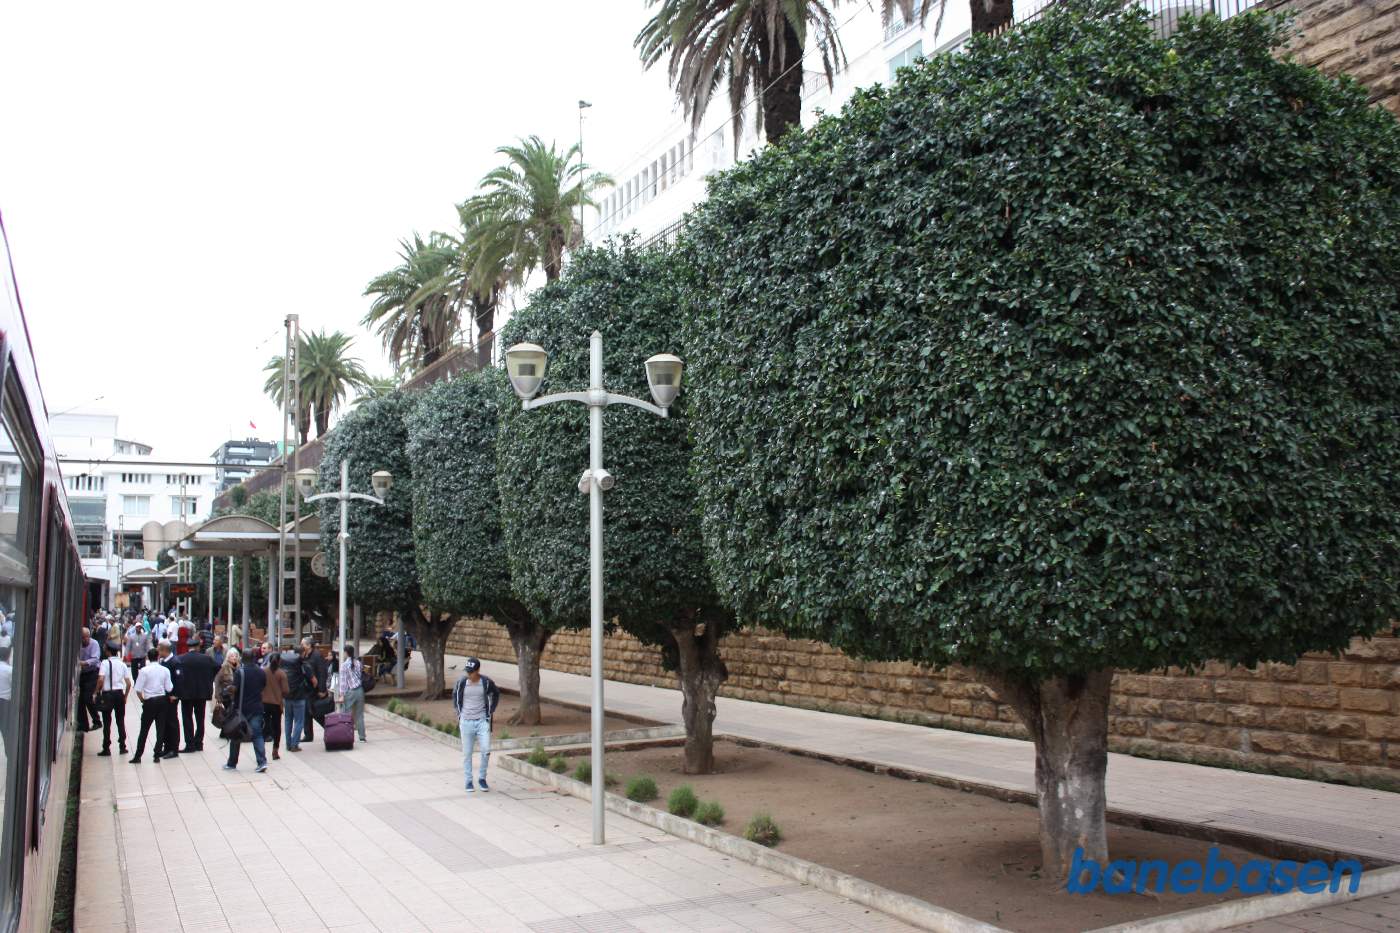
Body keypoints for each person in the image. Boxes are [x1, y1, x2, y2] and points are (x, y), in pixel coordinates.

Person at [452, 657, 500, 793]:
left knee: (485, 750)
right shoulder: (462, 682)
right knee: (467, 753)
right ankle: (468, 781)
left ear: (478, 670)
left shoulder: (485, 682)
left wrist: (491, 710)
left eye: (471, 672)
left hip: (481, 721)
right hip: (466, 721)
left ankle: (482, 778)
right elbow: (455, 695)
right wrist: (458, 712)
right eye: (467, 671)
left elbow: (496, 693)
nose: (469, 674)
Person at [223, 650, 268, 773]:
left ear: (242, 659)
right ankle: (262, 762)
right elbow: (263, 686)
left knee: (236, 735)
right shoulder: (261, 672)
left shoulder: (240, 672)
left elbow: (234, 689)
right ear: (254, 658)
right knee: (257, 735)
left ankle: (232, 763)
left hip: (241, 708)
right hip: (257, 707)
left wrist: (227, 691)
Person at [129, 648, 173, 764]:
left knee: (144, 729)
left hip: (149, 702)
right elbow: (169, 688)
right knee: (160, 728)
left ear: (148, 657)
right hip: (162, 701)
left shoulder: (144, 671)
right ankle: (157, 755)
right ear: (158, 656)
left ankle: (138, 755)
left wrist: (143, 700)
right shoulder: (165, 670)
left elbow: (138, 689)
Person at [173, 641, 216, 752]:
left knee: (187, 718)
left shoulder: (180, 659)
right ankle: (199, 742)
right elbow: (217, 668)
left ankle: (190, 744)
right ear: (198, 647)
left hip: (186, 694)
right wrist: (208, 680)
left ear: (188, 647)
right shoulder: (207, 659)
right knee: (200, 718)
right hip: (202, 693)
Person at [95, 644, 132, 757]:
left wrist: (96, 691)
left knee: (107, 722)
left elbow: (101, 679)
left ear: (108, 652)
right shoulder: (122, 664)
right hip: (119, 695)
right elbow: (129, 683)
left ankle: (106, 748)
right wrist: (125, 696)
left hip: (108, 695)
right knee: (120, 721)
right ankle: (122, 746)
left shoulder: (105, 663)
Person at [280, 642, 312, 753]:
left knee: (288, 720)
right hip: (299, 697)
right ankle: (294, 744)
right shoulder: (303, 664)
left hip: (287, 697)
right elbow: (313, 681)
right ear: (302, 653)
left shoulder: (286, 663)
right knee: (299, 721)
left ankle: (288, 744)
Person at [153, 641, 180, 759]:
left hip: (171, 698)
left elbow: (179, 681)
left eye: (159, 650)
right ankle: (167, 746)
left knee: (172, 722)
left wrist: (175, 695)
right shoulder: (164, 661)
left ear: (165, 650)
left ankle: (174, 749)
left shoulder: (175, 662)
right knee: (165, 722)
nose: (158, 652)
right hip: (164, 697)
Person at [261, 653, 289, 760]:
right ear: (279, 661)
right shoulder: (282, 674)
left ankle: (261, 750)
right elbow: (286, 690)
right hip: (277, 704)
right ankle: (275, 751)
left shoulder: (263, 671)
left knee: (264, 726)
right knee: (277, 728)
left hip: (264, 703)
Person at [336, 646, 367, 744]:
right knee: (359, 715)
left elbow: (343, 682)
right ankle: (362, 737)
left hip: (350, 692)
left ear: (346, 653)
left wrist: (341, 695)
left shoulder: (344, 665)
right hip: (360, 691)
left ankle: (347, 735)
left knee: (346, 714)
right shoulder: (358, 663)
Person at [303, 641, 329, 744]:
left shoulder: (317, 656)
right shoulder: (306, 655)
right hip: (308, 689)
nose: (302, 646)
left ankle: (329, 728)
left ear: (309, 645)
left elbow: (323, 673)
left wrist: (322, 689)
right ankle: (308, 734)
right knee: (307, 712)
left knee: (316, 712)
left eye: (303, 644)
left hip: (316, 689)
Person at [77, 628, 101, 731]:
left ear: (88, 636)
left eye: (85, 638)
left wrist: (84, 663)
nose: (83, 640)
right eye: (81, 638)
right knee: (80, 700)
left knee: (88, 698)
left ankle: (97, 721)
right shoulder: (79, 644)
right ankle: (83, 725)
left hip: (92, 673)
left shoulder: (94, 644)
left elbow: (95, 659)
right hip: (82, 674)